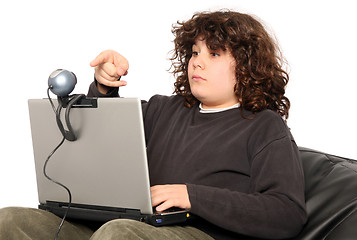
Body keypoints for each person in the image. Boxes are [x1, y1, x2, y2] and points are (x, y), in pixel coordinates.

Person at [0, 10, 307, 240]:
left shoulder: (265, 127)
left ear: (248, 66)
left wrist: (191, 196)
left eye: (213, 54)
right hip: (131, 225)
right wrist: (105, 88)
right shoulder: (164, 109)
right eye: (196, 52)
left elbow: (287, 213)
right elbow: (105, 132)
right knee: (10, 221)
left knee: (119, 234)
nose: (197, 62)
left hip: (198, 233)